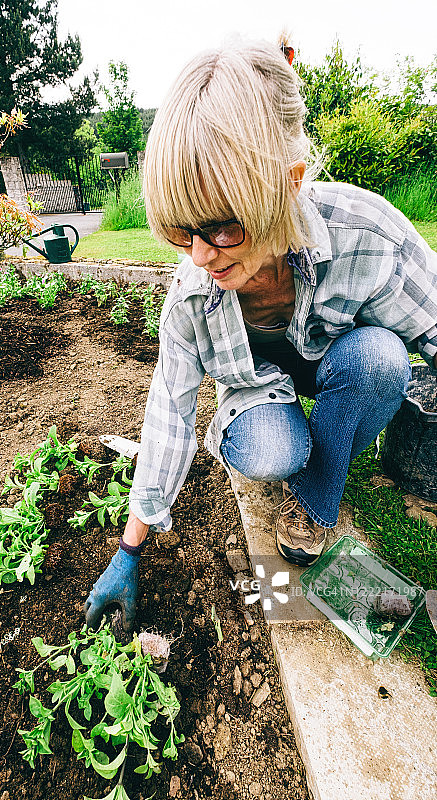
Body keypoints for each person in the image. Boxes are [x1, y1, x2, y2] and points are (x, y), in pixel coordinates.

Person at [83, 36, 437, 633]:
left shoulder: (369, 237)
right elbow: (168, 413)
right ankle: (306, 456)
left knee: (380, 358)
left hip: (339, 361)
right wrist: (130, 548)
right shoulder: (193, 291)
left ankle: (316, 500)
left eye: (222, 228)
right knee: (273, 447)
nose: (199, 256)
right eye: (180, 232)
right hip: (258, 394)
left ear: (289, 185)